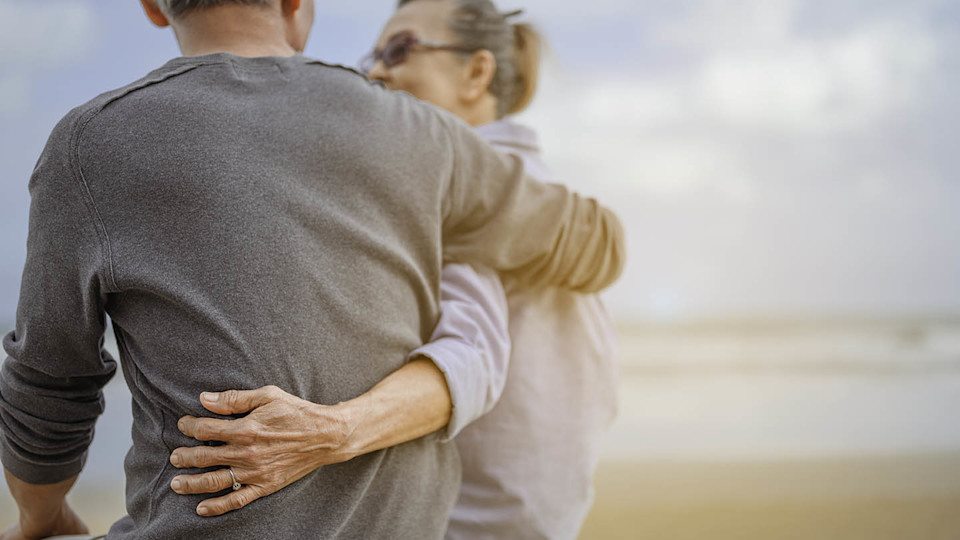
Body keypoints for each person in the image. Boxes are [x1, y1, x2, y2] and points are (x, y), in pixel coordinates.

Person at [0, 1, 625, 540]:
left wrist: (42, 515)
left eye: (399, 48)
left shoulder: (89, 143)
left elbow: (49, 382)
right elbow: (596, 243)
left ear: (154, 7)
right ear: (298, 2)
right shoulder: (421, 136)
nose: (377, 67)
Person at [364, 1, 621, 538]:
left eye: (399, 49)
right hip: (545, 516)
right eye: (374, 54)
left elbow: (471, 352)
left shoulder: (470, 198)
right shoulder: (534, 186)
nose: (376, 70)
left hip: (471, 521)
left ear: (476, 73)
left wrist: (336, 430)